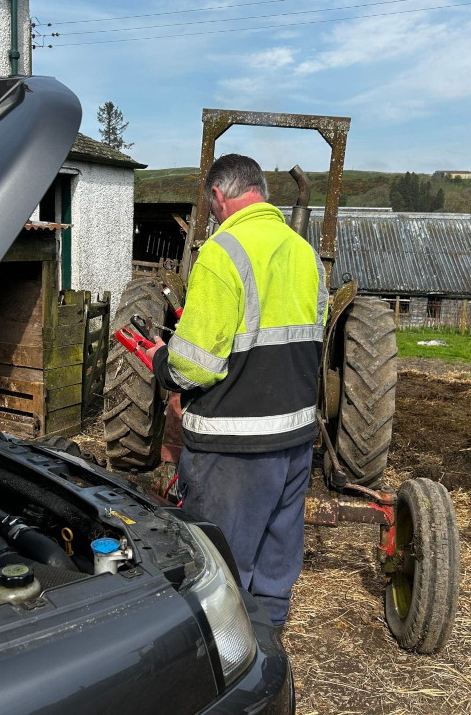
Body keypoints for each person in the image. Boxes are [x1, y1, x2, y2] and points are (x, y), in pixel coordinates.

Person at [145, 153, 327, 628]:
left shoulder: (223, 251)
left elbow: (194, 365)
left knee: (218, 568)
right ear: (261, 192)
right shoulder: (304, 253)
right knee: (275, 562)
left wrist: (162, 362)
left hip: (234, 446)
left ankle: (223, 662)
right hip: (294, 439)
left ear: (218, 196)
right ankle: (266, 648)